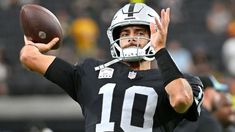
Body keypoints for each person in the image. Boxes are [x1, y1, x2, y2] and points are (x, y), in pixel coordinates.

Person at [20, 3, 203, 132]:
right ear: (116, 38)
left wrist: (160, 50)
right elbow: (29, 57)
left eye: (140, 32)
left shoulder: (182, 82)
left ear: (155, 34)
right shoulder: (91, 72)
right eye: (125, 33)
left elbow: (181, 99)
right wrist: (35, 46)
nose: (131, 38)